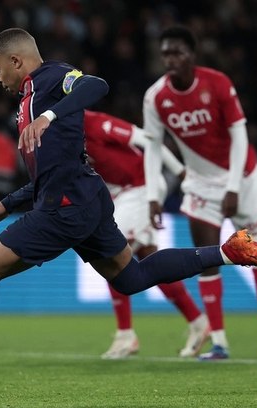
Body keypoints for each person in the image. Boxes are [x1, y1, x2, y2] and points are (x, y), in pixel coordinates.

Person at [0, 28, 257, 397]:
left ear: (16, 61)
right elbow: (53, 171)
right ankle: (229, 252)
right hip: (83, 199)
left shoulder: (52, 79)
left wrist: (51, 114)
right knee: (132, 277)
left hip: (65, 211)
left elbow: (96, 84)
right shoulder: (27, 101)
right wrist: (7, 204)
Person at [143, 26, 257, 360]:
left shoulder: (217, 83)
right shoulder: (155, 97)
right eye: (165, 53)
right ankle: (220, 342)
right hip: (202, 184)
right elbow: (151, 147)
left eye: (177, 52)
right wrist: (153, 195)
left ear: (192, 55)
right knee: (207, 259)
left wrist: (233, 187)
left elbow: (239, 136)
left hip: (243, 177)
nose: (170, 59)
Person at [83, 110, 209, 359]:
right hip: (121, 193)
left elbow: (150, 139)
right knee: (148, 258)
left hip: (141, 188)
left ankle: (125, 335)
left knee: (111, 255)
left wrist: (181, 173)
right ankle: (198, 321)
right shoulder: (60, 132)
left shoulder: (95, 124)